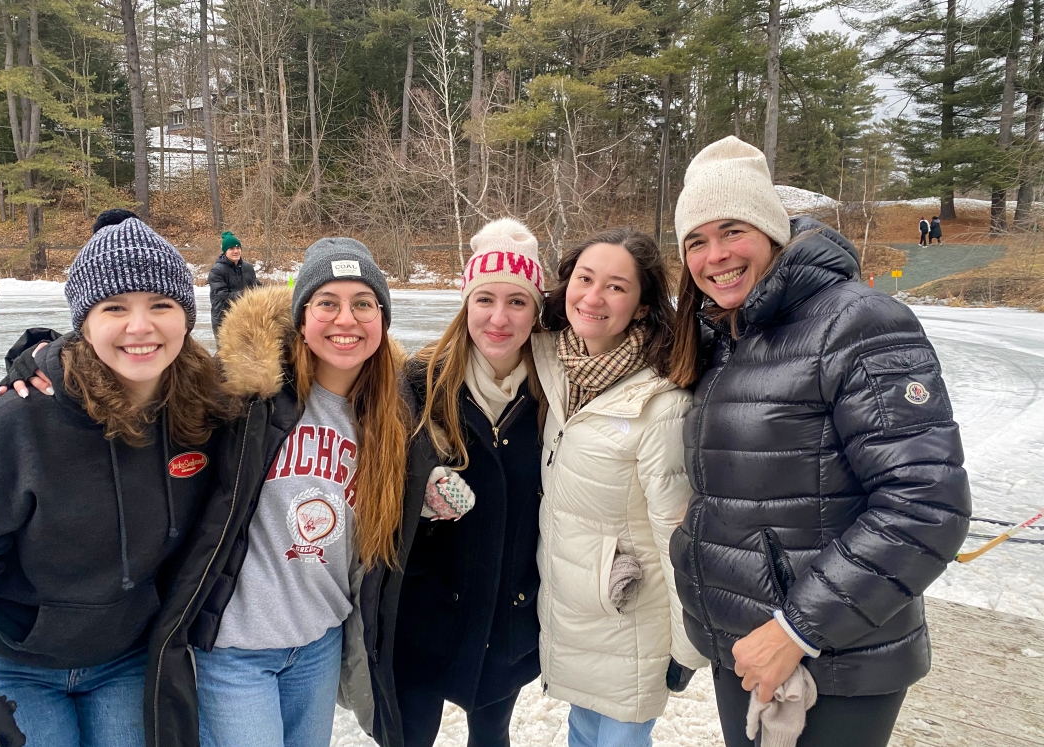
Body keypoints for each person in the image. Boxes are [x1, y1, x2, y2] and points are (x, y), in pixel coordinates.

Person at [668, 136, 970, 747]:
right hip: (747, 646)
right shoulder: (725, 333)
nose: (715, 255)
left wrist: (797, 629)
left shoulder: (857, 322)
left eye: (734, 231)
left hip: (830, 658)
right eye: (696, 240)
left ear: (773, 232)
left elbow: (926, 504)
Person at [0, 217, 228, 747]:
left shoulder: (205, 414)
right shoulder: (14, 423)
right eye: (114, 308)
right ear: (83, 324)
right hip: (20, 664)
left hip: (128, 657)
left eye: (161, 304)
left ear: (187, 317)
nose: (141, 327)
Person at [145, 237, 408, 747]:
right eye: (327, 303)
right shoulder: (246, 393)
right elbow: (142, 377)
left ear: (382, 317)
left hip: (318, 645)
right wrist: (42, 354)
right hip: (235, 651)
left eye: (363, 304)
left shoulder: (394, 410)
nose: (346, 320)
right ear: (302, 317)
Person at [366, 219, 547, 747]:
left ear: (537, 313)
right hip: (422, 618)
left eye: (517, 302)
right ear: (465, 303)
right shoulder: (418, 384)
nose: (498, 318)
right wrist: (415, 495)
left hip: (506, 617)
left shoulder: (555, 396)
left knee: (491, 736)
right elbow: (373, 482)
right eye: (484, 299)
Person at [532, 228, 709, 747]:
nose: (593, 296)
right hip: (575, 615)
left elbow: (678, 530)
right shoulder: (554, 366)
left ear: (640, 307)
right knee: (584, 735)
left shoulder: (660, 403)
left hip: (630, 619)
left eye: (615, 287)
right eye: (585, 279)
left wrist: (687, 646)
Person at [207, 231, 260, 338]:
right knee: (225, 353)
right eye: (231, 248)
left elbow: (256, 286)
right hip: (224, 318)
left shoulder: (248, 267)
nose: (236, 251)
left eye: (238, 248)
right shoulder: (216, 271)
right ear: (225, 251)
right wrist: (246, 294)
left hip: (245, 316)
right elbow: (222, 296)